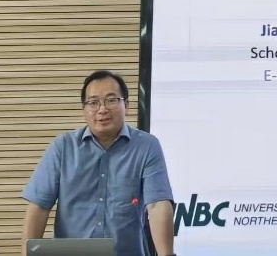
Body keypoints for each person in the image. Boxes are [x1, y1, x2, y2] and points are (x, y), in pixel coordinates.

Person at [20, 70, 176, 256]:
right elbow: (39, 206)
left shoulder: (146, 146)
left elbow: (158, 206)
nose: (102, 110)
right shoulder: (63, 147)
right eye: (93, 103)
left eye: (111, 100)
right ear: (84, 110)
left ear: (126, 105)